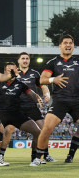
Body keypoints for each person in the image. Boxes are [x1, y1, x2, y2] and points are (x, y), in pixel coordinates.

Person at [30, 34, 78, 166]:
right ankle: (38, 158)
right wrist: (53, 79)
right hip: (60, 101)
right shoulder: (53, 62)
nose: (68, 45)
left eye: (70, 43)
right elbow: (42, 79)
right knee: (46, 128)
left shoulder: (78, 62)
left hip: (77, 101)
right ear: (60, 46)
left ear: (73, 46)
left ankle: (70, 154)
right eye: (65, 43)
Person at [0, 62, 43, 166]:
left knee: (37, 131)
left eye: (13, 70)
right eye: (9, 70)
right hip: (1, 114)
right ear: (4, 72)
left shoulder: (20, 84)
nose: (11, 72)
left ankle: (34, 158)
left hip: (16, 114)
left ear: (17, 71)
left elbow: (31, 94)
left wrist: (37, 98)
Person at [17, 52, 57, 163]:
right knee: (6, 130)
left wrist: (47, 94)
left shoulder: (34, 73)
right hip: (16, 107)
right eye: (23, 58)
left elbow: (43, 85)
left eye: (27, 58)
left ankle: (44, 155)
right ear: (18, 61)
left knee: (44, 129)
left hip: (31, 106)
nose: (25, 60)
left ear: (29, 60)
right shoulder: (14, 73)